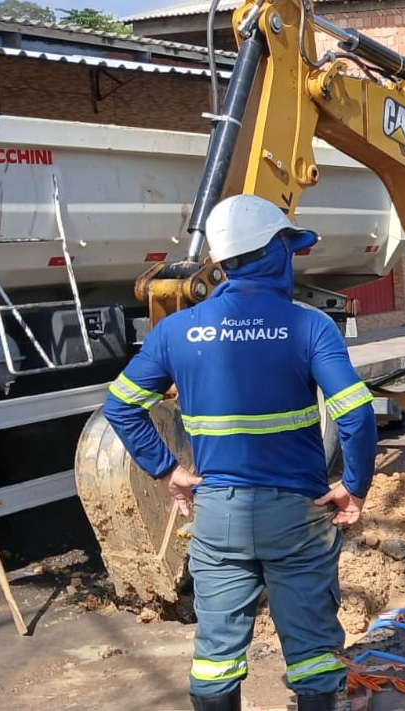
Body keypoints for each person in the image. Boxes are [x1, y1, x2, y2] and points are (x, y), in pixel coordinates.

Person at [103, 195, 378, 711]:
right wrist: (354, 487)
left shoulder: (176, 330)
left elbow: (120, 407)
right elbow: (357, 415)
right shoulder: (309, 327)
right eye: (289, 249)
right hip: (296, 516)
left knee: (215, 658)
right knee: (314, 655)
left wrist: (168, 471)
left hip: (217, 517)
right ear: (274, 253)